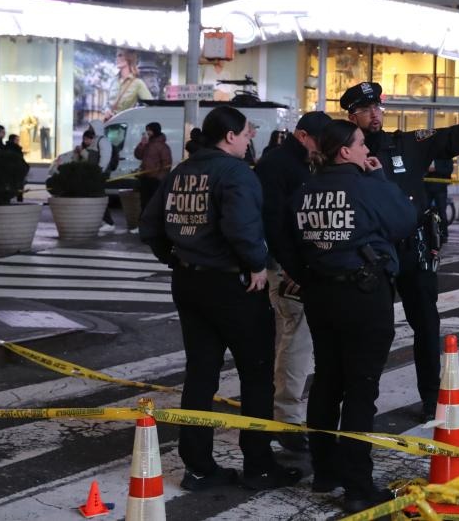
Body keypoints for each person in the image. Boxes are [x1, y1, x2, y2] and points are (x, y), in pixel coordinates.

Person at [340, 81, 459, 420]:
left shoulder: (407, 144)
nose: (374, 115)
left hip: (414, 250)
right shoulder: (344, 153)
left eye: (377, 108)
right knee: (369, 331)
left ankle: (431, 400)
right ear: (351, 116)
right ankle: (357, 404)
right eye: (365, 110)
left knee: (426, 326)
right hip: (371, 256)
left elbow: (455, 137)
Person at [138, 106, 302, 492]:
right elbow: (241, 226)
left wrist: (178, 258)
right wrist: (256, 264)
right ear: (230, 136)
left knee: (200, 374)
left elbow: (150, 225)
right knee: (256, 374)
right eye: (247, 133)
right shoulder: (234, 173)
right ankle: (259, 466)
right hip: (234, 286)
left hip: (189, 283)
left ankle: (198, 468)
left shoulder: (182, 171)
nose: (250, 140)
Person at [282, 119, 416, 513]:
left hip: (321, 293)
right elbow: (404, 221)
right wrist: (380, 180)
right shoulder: (364, 185)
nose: (365, 150)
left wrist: (307, 276)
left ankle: (324, 471)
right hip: (363, 294)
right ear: (345, 151)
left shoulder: (304, 191)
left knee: (326, 381)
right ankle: (357, 485)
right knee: (361, 388)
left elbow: (288, 241)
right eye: (360, 144)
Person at [253, 111, 332, 453]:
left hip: (299, 265)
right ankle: (286, 419)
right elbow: (273, 223)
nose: (325, 148)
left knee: (298, 339)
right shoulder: (279, 166)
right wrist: (290, 268)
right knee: (295, 338)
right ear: (302, 136)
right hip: (288, 268)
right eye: (321, 140)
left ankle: (288, 412)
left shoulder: (301, 164)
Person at [75, 122, 116, 231]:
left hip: (98, 174)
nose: (89, 128)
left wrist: (99, 171)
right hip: (95, 173)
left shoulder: (103, 141)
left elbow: (104, 158)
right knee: (95, 196)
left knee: (99, 196)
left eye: (91, 127)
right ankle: (103, 221)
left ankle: (109, 222)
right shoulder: (96, 140)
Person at [134, 122, 173, 219]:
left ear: (155, 131)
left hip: (155, 180)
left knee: (154, 203)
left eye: (149, 130)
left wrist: (159, 178)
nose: (147, 132)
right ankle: (143, 224)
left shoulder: (162, 146)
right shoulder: (147, 144)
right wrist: (142, 144)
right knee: (144, 202)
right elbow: (138, 155)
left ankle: (152, 226)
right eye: (146, 130)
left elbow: (167, 164)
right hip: (145, 178)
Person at [106, 48, 151, 119]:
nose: (117, 58)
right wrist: (107, 110)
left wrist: (134, 117)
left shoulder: (138, 83)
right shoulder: (114, 81)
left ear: (129, 57)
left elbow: (150, 107)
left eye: (120, 55)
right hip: (109, 125)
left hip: (125, 126)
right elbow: (107, 104)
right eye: (116, 56)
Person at [424, 156, 454, 244]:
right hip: (427, 187)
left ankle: (444, 235)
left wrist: (435, 169)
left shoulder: (445, 155)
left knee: (441, 213)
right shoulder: (427, 153)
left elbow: (449, 170)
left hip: (440, 188)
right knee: (425, 212)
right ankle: (425, 233)